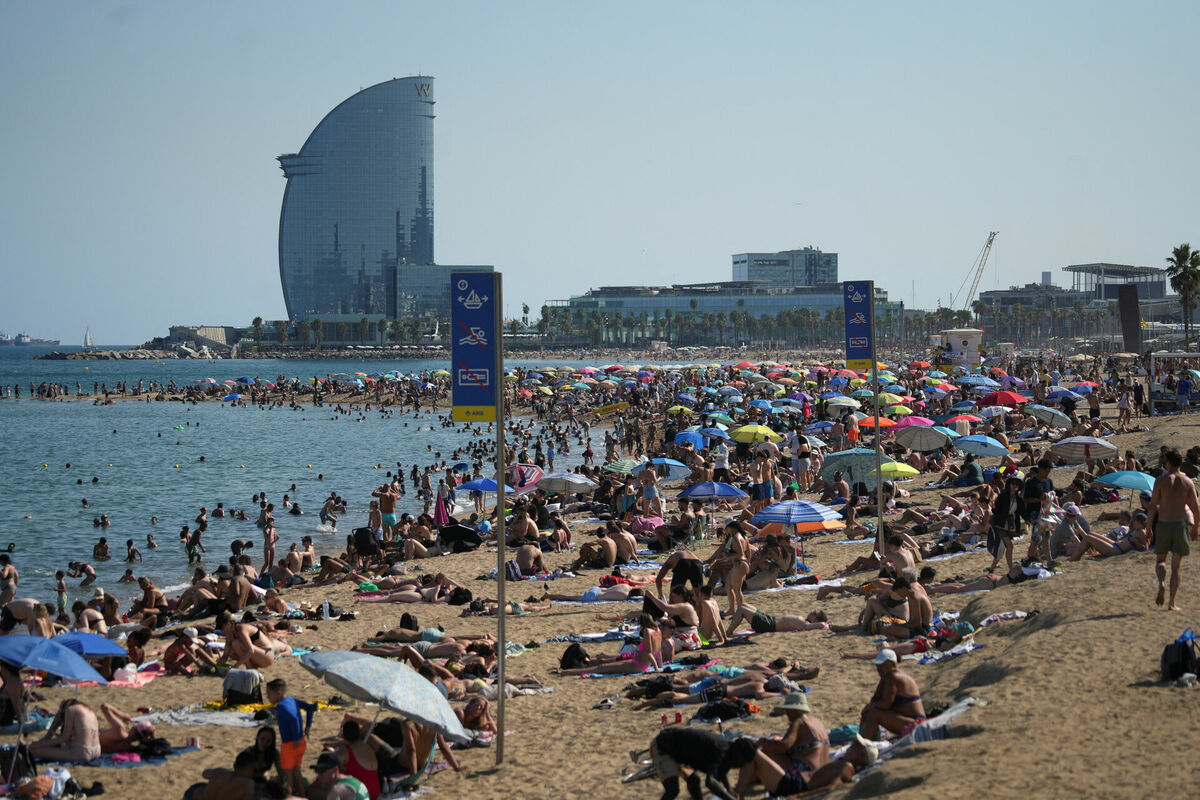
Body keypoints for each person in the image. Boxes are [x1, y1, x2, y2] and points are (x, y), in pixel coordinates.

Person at [734, 692, 829, 798]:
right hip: (820, 773)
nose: (786, 714)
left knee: (753, 752)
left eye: (788, 710)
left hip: (803, 773)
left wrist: (764, 742)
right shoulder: (817, 722)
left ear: (795, 710)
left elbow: (784, 745)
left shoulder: (799, 722)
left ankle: (738, 793)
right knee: (766, 755)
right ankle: (747, 781)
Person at [1147, 447, 1200, 611]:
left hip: (1163, 524)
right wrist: (1196, 527)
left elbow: (1152, 506)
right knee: (1176, 566)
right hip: (1181, 525)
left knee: (1160, 561)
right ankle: (1172, 603)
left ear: (1168, 463)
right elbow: (1196, 508)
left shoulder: (1161, 481)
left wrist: (1148, 528)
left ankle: (1161, 582)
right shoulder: (1187, 482)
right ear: (1180, 463)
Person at [647, 727, 754, 800]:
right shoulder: (720, 750)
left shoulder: (729, 751)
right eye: (742, 761)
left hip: (678, 752)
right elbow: (710, 782)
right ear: (738, 754)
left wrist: (728, 788)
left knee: (694, 780)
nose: (741, 766)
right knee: (673, 790)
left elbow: (722, 771)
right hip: (663, 747)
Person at [858, 648, 926, 740]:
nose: (879, 670)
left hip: (916, 723)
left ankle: (863, 745)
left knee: (874, 713)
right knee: (868, 711)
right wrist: (870, 706)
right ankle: (862, 740)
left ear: (892, 664)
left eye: (882, 666)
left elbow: (885, 704)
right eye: (878, 667)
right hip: (905, 720)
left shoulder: (895, 677)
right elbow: (875, 699)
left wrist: (871, 706)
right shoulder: (887, 677)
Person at [266, 677, 316, 794]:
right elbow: (309, 708)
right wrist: (307, 727)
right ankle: (303, 797)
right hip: (300, 744)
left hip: (290, 745)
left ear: (278, 693)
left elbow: (294, 719)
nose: (267, 696)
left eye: (269, 693)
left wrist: (296, 737)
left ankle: (290, 797)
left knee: (288, 779)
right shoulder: (291, 700)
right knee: (297, 773)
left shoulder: (281, 706)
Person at [30, 699, 101, 764]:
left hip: (82, 753)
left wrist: (41, 744)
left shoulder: (70, 709)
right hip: (97, 751)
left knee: (36, 750)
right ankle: (46, 738)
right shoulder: (88, 710)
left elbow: (64, 738)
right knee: (53, 744)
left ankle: (45, 740)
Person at [183, 749, 258, 800]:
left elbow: (204, 774)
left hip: (195, 797)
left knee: (200, 785)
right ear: (251, 769)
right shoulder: (248, 784)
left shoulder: (221, 772)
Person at [723, 603, 828, 637]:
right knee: (743, 605)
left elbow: (822, 624)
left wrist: (823, 623)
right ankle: (729, 631)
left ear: (815, 620)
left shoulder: (805, 624)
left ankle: (728, 632)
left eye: (814, 613)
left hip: (768, 624)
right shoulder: (804, 621)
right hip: (768, 619)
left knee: (742, 609)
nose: (811, 612)